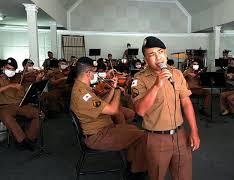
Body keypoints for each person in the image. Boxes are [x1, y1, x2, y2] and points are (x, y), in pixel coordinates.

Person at [132, 36, 200, 180]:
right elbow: (140, 110)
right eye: (152, 55)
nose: (158, 57)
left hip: (180, 135)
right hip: (156, 138)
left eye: (160, 52)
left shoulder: (176, 73)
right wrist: (157, 85)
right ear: (145, 60)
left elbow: (186, 103)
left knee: (184, 176)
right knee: (157, 176)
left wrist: (194, 131)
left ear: (166, 53)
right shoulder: (139, 79)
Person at [70, 57, 147, 179]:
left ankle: (132, 164)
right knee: (142, 136)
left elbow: (102, 106)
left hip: (103, 129)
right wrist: (117, 90)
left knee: (133, 130)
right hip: (98, 136)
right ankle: (135, 172)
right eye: (94, 72)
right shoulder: (82, 94)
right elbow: (113, 110)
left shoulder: (82, 89)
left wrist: (112, 88)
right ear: (88, 73)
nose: (95, 74)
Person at [0, 58, 41, 151]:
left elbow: (27, 78)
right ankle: (21, 141)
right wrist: (10, 86)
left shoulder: (18, 77)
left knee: (37, 113)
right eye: (8, 68)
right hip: (4, 107)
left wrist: (37, 78)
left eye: (13, 69)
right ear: (3, 68)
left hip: (19, 105)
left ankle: (29, 138)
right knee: (6, 116)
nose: (10, 71)